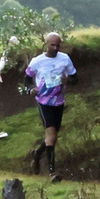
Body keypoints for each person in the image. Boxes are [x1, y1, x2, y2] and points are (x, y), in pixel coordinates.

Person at [24, 32, 78, 176]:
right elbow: (27, 80)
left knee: (53, 137)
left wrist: (67, 80)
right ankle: (52, 172)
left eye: (58, 45)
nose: (55, 48)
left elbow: (75, 78)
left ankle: (37, 153)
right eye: (52, 45)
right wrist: (30, 89)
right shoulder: (37, 61)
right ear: (46, 44)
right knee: (51, 134)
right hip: (44, 101)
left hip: (58, 101)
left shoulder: (65, 59)